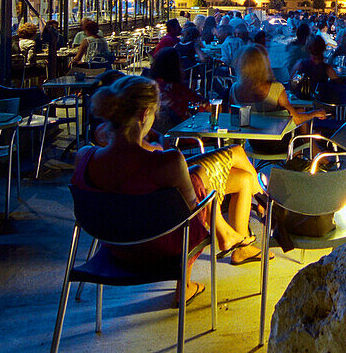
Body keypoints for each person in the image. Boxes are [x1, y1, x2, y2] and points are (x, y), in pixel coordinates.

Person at [75, 76, 266, 295]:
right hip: (162, 249)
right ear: (145, 114)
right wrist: (199, 177)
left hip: (114, 249)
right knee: (196, 179)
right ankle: (185, 284)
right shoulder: (167, 162)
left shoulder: (84, 157)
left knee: (220, 176)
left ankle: (230, 236)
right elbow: (193, 213)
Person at [233, 45, 328, 155]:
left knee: (299, 112)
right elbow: (295, 119)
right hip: (280, 143)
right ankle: (313, 159)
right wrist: (313, 113)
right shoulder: (275, 88)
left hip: (254, 144)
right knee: (301, 122)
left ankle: (313, 158)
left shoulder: (234, 90)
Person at [150, 47, 204, 132]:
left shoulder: (153, 85)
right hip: (180, 133)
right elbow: (199, 103)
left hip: (158, 132)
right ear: (174, 66)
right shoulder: (175, 89)